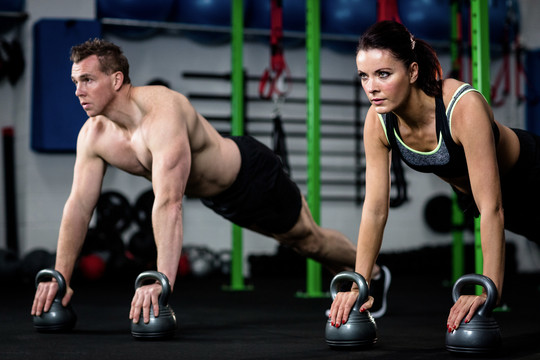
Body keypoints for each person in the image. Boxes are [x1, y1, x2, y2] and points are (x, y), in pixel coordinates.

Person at [30, 38, 390, 325]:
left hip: (252, 175)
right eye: (75, 81)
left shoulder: (163, 112)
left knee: (308, 241)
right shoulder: (93, 136)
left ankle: (372, 272)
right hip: (222, 198)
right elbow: (79, 205)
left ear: (117, 79)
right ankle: (357, 280)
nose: (78, 90)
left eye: (88, 80)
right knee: (301, 245)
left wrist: (160, 280)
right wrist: (60, 277)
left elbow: (168, 202)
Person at [329, 20, 540, 332]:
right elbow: (375, 209)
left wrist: (488, 290)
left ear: (413, 72)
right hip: (481, 201)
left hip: (531, 179)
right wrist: (361, 285)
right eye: (364, 76)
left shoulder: (461, 107)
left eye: (383, 74)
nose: (371, 86)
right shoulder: (378, 122)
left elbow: (492, 208)